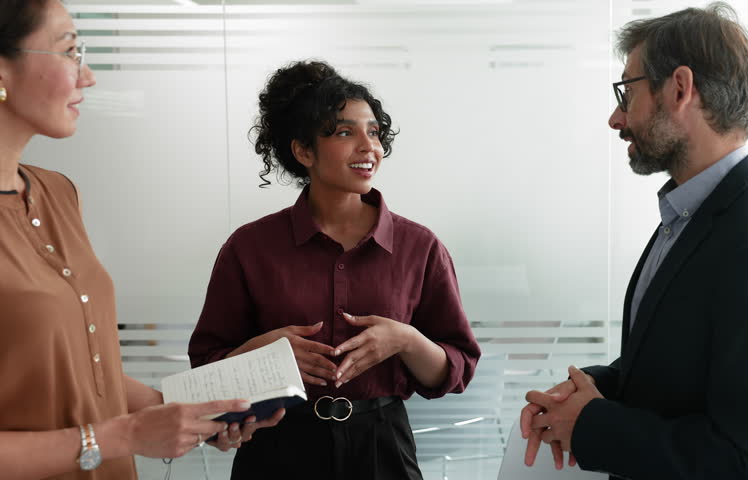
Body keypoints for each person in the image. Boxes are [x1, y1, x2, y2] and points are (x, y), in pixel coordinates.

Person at [519, 3, 748, 479]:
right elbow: (677, 369)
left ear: (681, 89)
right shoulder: (689, 217)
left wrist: (592, 424)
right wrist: (586, 391)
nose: (615, 117)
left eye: (627, 92)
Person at [0, 1, 284, 478]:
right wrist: (126, 435)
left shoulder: (57, 194)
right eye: (70, 51)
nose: (87, 76)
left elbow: (83, 369)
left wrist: (186, 414)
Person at [188, 59, 481, 480]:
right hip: (277, 449)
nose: (369, 146)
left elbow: (456, 368)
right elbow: (207, 368)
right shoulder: (249, 248)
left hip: (384, 449)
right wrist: (265, 352)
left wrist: (404, 340)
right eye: (345, 132)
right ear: (303, 151)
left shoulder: (421, 247)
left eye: (374, 131)